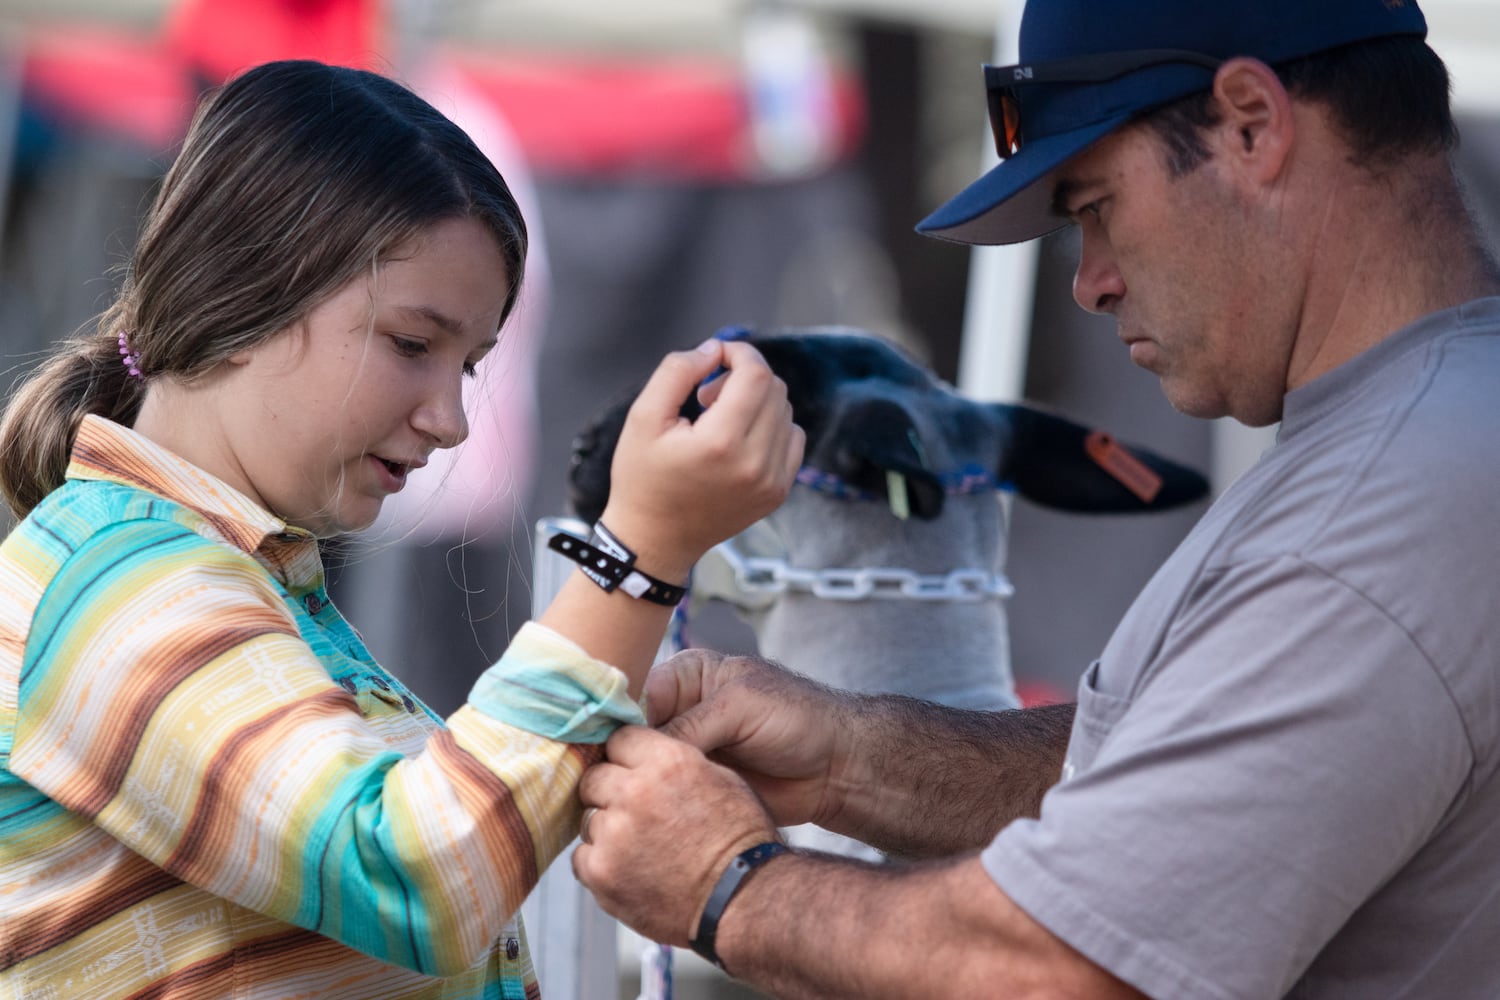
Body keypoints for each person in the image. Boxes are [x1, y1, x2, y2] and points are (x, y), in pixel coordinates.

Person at [571, 0, 1500, 996]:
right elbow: (1202, 780)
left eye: (1095, 205)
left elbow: (1070, 970)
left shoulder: (1380, 507)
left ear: (1250, 123)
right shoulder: (1424, 433)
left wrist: (731, 886)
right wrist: (853, 758)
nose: (1089, 282)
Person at [0, 59, 803, 998]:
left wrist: (611, 722)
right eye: (413, 345)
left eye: (469, 365)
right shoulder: (123, 582)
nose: (451, 419)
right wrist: (638, 558)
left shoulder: (214, 573)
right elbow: (413, 879)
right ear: (248, 287)